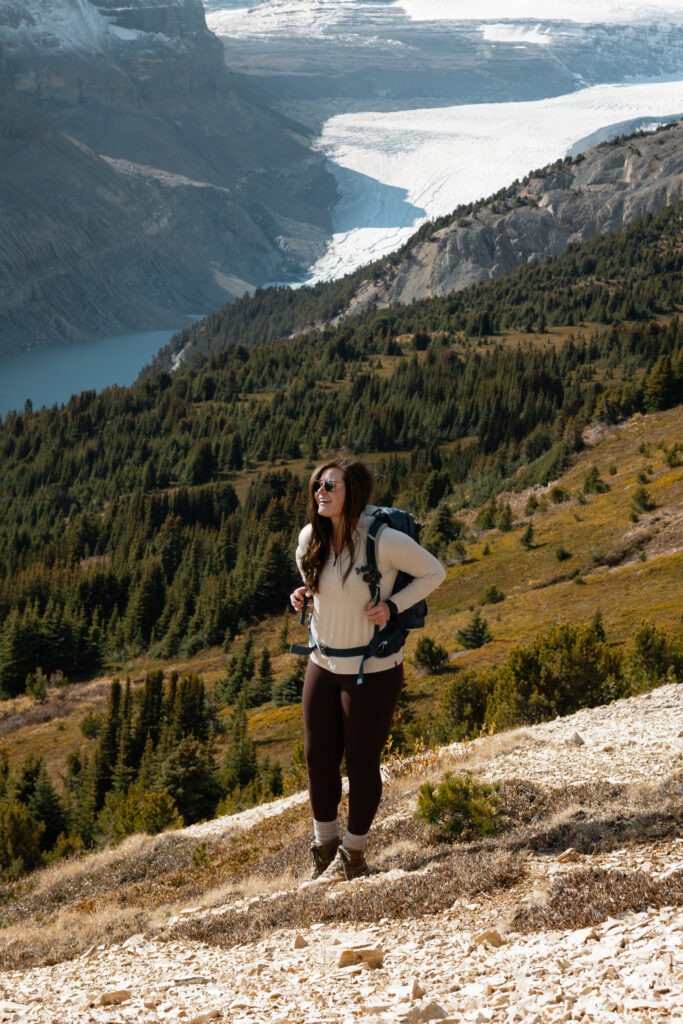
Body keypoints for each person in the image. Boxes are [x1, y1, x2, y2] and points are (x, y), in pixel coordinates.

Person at [290, 455, 446, 882]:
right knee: (318, 757)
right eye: (318, 485)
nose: (320, 492)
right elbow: (316, 583)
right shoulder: (310, 537)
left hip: (372, 668)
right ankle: (324, 848)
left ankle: (353, 856)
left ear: (351, 493)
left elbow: (434, 571)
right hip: (322, 662)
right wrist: (302, 595)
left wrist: (392, 605)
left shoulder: (384, 540)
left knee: (360, 763)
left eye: (331, 486)